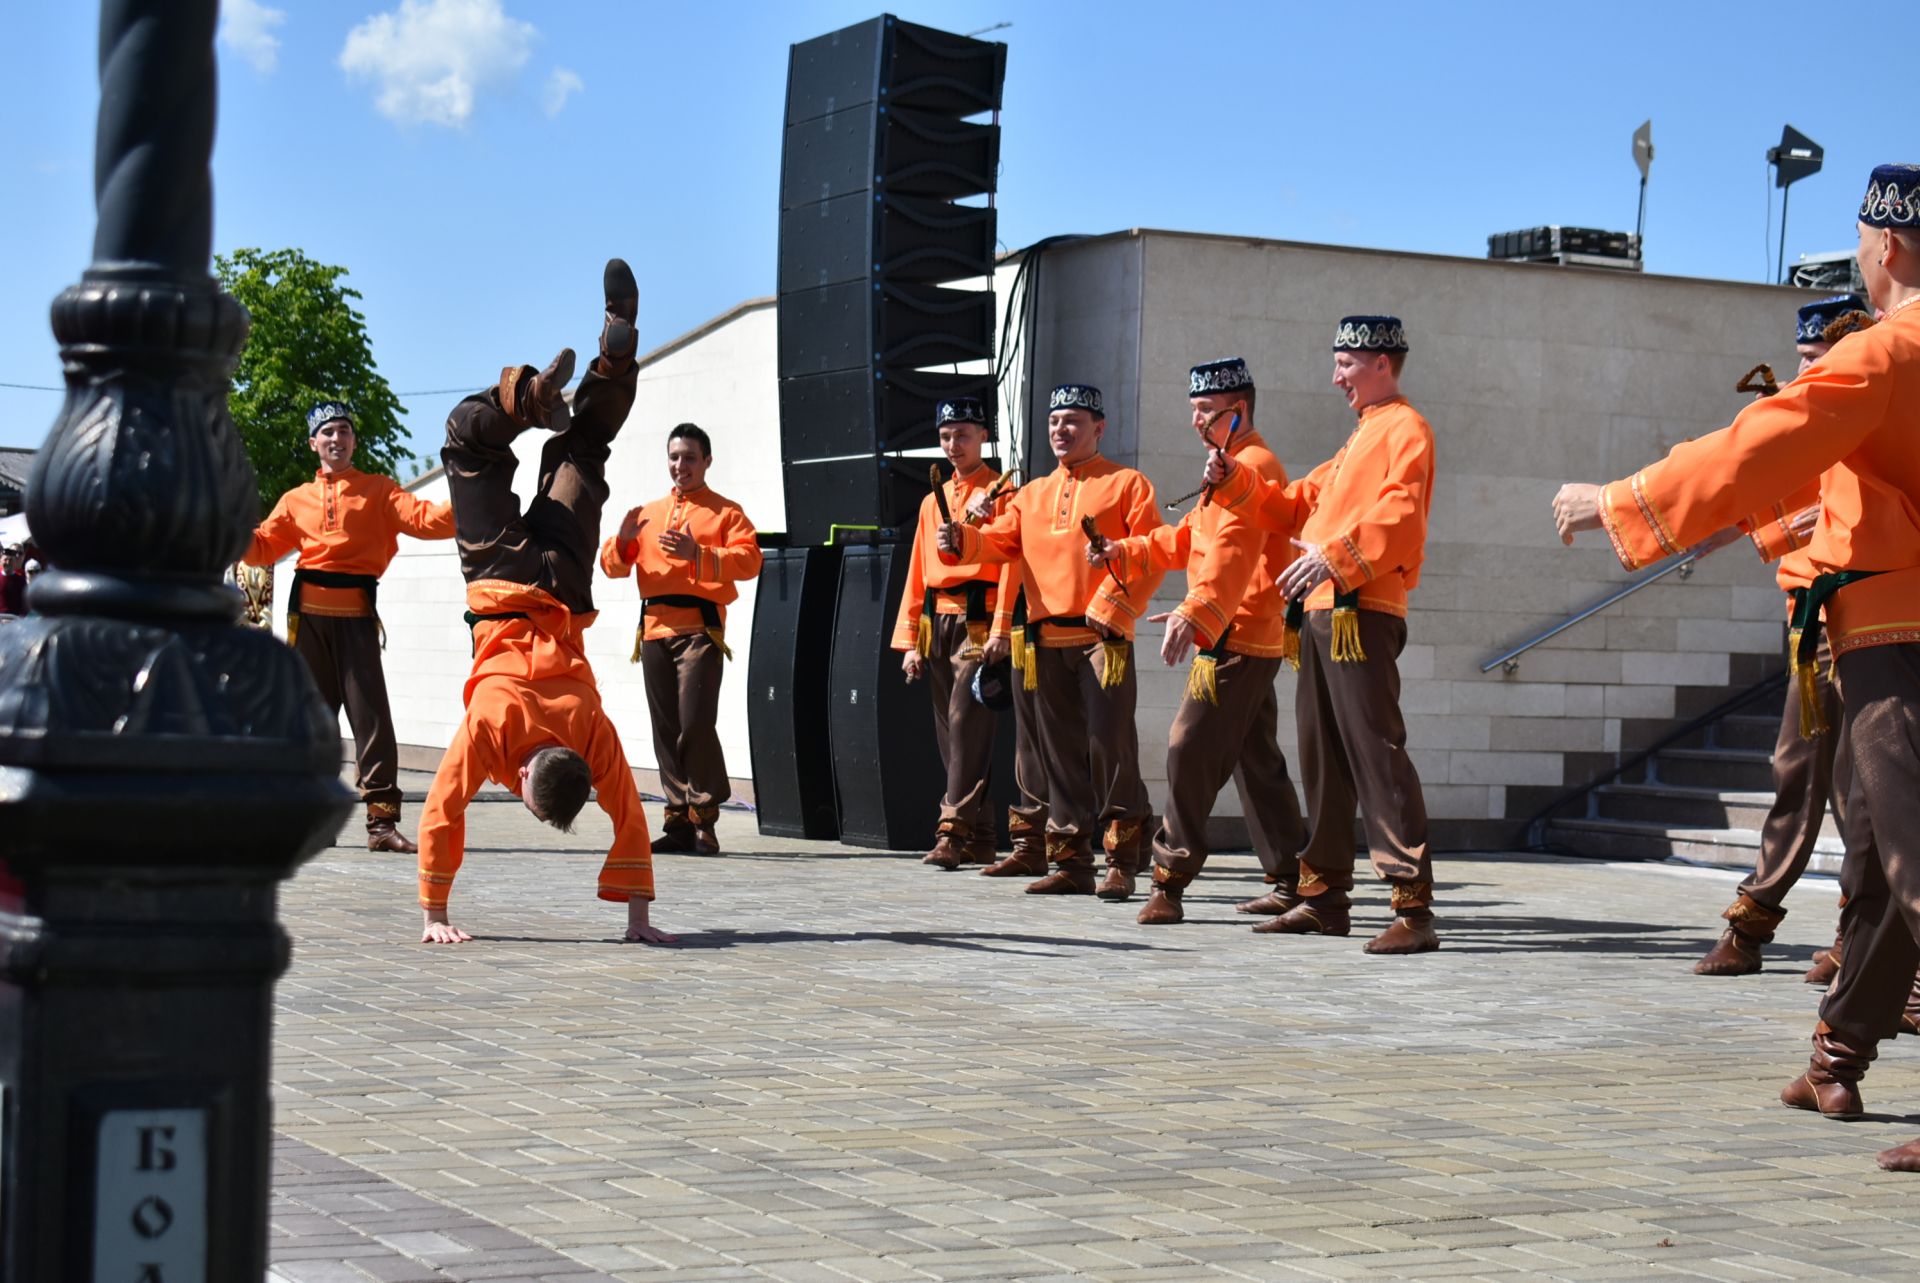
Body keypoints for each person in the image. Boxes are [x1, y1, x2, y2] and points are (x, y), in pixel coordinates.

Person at [1551, 164, 1920, 1172]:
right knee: (1890, 862)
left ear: (1881, 247)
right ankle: (1837, 1054)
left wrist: (1621, 501)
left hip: (1901, 631)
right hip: (1877, 622)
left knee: (1910, 858)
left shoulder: (1890, 349)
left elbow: (1768, 437)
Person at [417, 258, 673, 947]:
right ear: (528, 772)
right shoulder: (493, 723)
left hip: (562, 584)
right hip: (500, 581)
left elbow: (627, 809)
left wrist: (640, 917)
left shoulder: (590, 727)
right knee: (469, 445)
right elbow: (444, 805)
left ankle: (611, 365)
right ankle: (520, 400)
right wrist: (434, 913)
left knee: (582, 449)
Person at [1201, 317, 1439, 953]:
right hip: (1323, 611)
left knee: (1376, 755)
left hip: (1360, 609)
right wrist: (1235, 480)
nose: (1336, 377)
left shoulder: (1405, 429)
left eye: (1345, 363)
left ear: (1382, 362)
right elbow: (1296, 502)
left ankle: (1413, 909)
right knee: (1324, 761)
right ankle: (1324, 897)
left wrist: (1337, 555)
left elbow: (1402, 514)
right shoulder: (1360, 438)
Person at [1694, 296, 1872, 977]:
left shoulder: (1864, 412)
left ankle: (1794, 929)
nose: (1800, 373)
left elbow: (1831, 508)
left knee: (1856, 786)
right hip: (1810, 619)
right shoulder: (1818, 418)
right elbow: (1778, 493)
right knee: (1807, 775)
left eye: (1811, 360)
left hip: (1861, 616)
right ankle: (1780, 929)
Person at [1093, 358, 1306, 925]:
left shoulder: (1253, 464)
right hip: (1240, 628)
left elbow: (1234, 552)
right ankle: (1294, 878)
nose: (1195, 421)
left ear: (1239, 410)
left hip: (1238, 633)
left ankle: (1170, 877)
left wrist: (1197, 611)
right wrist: (1127, 551)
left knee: (1188, 745)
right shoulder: (1230, 466)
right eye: (1193, 410)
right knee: (1256, 761)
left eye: (1206, 411)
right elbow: (1190, 538)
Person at [938, 384, 1165, 899]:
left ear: (1098, 429)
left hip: (1100, 638)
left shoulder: (1128, 484)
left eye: (1074, 421)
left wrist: (1115, 608)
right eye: (1054, 421)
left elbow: (1149, 554)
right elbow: (1001, 542)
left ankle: (1123, 860)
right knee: (1057, 754)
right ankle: (1070, 862)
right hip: (1043, 641)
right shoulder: (1033, 493)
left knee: (1110, 749)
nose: (1061, 430)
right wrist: (963, 540)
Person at [244, 401, 456, 852]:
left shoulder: (380, 490)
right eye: (327, 433)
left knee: (371, 718)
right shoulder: (295, 499)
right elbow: (260, 549)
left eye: (343, 431)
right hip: (308, 618)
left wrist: (473, 491)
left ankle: (381, 827)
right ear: (313, 443)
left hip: (358, 615)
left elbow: (427, 520)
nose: (336, 439)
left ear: (354, 440)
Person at [601, 421, 762, 855]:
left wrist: (699, 554)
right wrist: (623, 541)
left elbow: (750, 561)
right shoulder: (648, 513)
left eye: (690, 457)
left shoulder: (726, 512)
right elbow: (611, 567)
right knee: (666, 728)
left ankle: (704, 818)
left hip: (700, 629)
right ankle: (677, 820)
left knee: (695, 724)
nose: (680, 465)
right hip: (653, 630)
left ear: (707, 461)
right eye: (674, 457)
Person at [890, 396, 1015, 869]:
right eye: (945, 436)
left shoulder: (1004, 492)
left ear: (984, 435)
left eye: (963, 434)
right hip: (936, 620)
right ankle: (981, 833)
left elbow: (1010, 565)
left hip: (978, 618)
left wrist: (1003, 626)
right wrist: (910, 642)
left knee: (966, 720)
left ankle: (951, 831)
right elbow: (917, 570)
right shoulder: (931, 500)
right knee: (949, 731)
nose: (953, 444)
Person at [0, 544, 27, 616]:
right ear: (1, 561)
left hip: (15, 620)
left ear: (14, 562)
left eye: (11, 560)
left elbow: (25, 603)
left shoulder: (21, 580)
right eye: (5, 560)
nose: (8, 563)